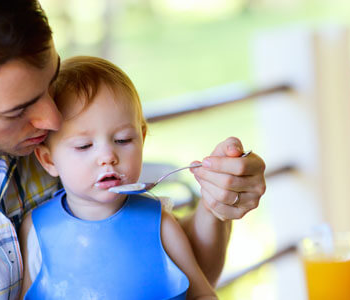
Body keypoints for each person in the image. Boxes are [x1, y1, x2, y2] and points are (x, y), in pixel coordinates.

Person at [0, 0, 266, 299]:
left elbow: (168, 273)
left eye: (50, 82)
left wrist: (219, 204)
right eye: (20, 109)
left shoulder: (59, 129)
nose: (53, 120)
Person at [19, 56, 217, 300]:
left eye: (123, 140)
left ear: (142, 140)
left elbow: (202, 294)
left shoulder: (160, 224)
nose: (107, 156)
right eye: (84, 145)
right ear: (49, 160)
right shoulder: (37, 230)